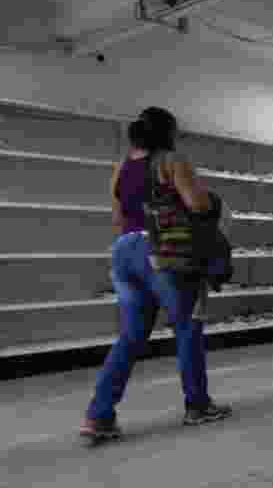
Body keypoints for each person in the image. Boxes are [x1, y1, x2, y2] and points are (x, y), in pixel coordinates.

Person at [80, 107, 231, 440]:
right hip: (163, 254)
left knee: (131, 336)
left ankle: (98, 415)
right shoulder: (171, 162)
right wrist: (209, 198)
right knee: (187, 328)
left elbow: (118, 219)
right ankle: (198, 405)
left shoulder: (120, 168)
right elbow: (198, 205)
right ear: (168, 133)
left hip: (123, 252)